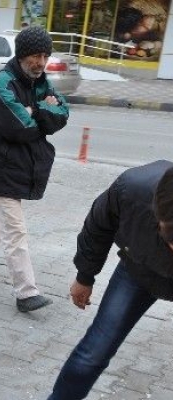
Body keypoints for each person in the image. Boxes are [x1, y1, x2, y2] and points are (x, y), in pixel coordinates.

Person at [0, 26, 69, 312]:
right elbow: (18, 127)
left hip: (19, 168)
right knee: (15, 231)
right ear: (21, 54)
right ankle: (26, 293)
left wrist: (34, 111)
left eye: (45, 55)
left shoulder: (41, 82)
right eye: (35, 55)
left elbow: (63, 114)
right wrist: (40, 111)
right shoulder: (2, 84)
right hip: (1, 169)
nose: (41, 62)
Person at [48, 160, 173, 400]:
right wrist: (85, 276)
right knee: (94, 350)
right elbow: (98, 226)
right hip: (139, 269)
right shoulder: (133, 190)